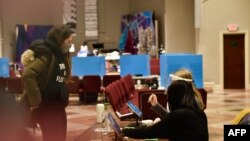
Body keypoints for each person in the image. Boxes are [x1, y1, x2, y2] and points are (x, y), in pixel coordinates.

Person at [21, 24, 75, 141]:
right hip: (47, 108)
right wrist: (35, 101)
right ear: (60, 40)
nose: (70, 44)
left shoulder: (61, 55)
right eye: (68, 41)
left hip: (58, 106)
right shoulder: (47, 56)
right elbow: (28, 74)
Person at [122, 80, 209, 140]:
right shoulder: (199, 113)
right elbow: (173, 122)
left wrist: (124, 131)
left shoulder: (180, 115)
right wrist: (156, 106)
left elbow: (150, 132)